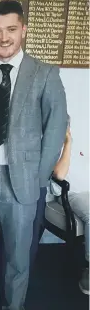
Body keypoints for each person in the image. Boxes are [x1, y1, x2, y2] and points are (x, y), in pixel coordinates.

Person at [0, 0, 67, 310]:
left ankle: (14, 305)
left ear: (23, 29)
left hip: (21, 179)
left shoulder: (45, 74)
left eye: (11, 29)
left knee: (18, 252)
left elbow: (56, 127)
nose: (4, 37)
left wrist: (38, 179)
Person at [50, 119, 89, 295]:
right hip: (74, 194)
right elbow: (59, 174)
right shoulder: (52, 146)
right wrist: (67, 143)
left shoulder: (81, 140)